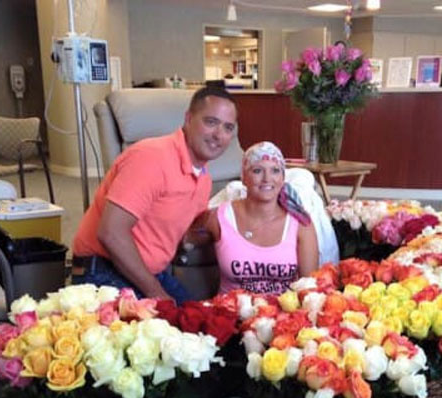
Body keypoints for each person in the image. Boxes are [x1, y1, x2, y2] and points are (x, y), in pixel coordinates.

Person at [71, 86, 238, 303]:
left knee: (203, 318)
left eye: (228, 127)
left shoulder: (203, 178)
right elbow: (111, 233)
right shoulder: (151, 158)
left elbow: (187, 234)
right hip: (102, 270)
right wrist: (156, 293)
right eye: (211, 122)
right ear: (188, 119)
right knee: (175, 322)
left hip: (150, 271)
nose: (219, 135)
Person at [193, 141, 319, 294]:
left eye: (275, 171)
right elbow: (182, 241)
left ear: (282, 178)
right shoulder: (218, 217)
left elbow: (309, 290)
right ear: (244, 177)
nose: (267, 179)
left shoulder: (301, 224)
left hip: (283, 309)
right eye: (257, 171)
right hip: (230, 308)